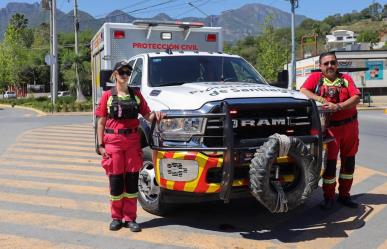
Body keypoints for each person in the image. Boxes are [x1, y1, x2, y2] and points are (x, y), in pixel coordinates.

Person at [95, 60, 164, 232]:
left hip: (133, 143)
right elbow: (101, 122)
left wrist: (157, 114)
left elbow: (148, 116)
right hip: (114, 143)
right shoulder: (107, 96)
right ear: (115, 75)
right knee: (116, 181)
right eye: (121, 72)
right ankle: (116, 217)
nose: (125, 75)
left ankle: (130, 218)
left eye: (127, 72)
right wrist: (100, 145)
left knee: (132, 181)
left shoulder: (136, 95)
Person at [300, 51, 361, 210]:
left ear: (337, 64)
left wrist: (338, 106)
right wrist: (322, 100)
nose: (330, 66)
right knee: (330, 164)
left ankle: (344, 196)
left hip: (350, 127)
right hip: (331, 129)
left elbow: (356, 98)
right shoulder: (316, 78)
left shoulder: (345, 79)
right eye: (326, 63)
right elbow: (304, 90)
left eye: (333, 62)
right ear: (320, 66)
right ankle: (328, 198)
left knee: (349, 163)